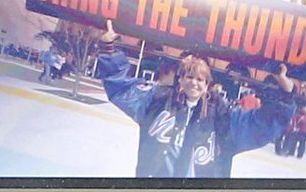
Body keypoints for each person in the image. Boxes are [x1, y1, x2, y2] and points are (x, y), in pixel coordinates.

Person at [95, 19, 294, 178]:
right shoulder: (157, 101)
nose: (194, 83)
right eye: (189, 77)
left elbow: (261, 125)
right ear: (180, 79)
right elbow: (121, 89)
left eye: (200, 79)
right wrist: (108, 48)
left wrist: (285, 93)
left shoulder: (223, 116)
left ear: (207, 85)